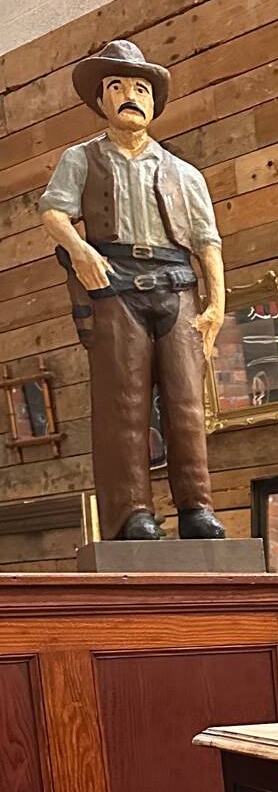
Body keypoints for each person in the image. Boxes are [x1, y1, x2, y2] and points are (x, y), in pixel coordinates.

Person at [39, 39, 227, 542]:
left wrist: (216, 305)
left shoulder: (184, 173)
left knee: (187, 402)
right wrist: (81, 251)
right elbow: (53, 211)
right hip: (115, 286)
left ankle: (196, 507)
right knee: (122, 403)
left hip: (176, 286)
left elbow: (207, 242)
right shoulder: (81, 159)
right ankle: (131, 513)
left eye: (140, 88)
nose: (130, 96)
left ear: (153, 101)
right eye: (117, 86)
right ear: (101, 99)